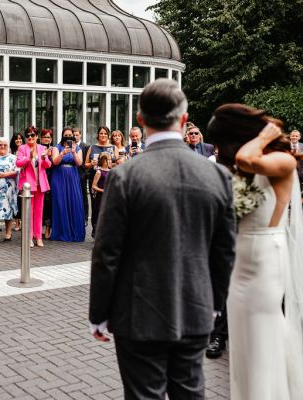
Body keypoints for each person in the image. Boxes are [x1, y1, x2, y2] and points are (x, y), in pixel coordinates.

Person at [89, 79, 236, 399]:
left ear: (140, 120)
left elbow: (107, 252)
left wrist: (99, 313)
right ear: (183, 122)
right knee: (189, 391)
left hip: (138, 311)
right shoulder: (218, 176)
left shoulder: (126, 176)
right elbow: (225, 252)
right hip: (196, 308)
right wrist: (213, 307)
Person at [208, 103, 303, 400]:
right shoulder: (245, 165)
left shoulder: (281, 160)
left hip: (265, 256)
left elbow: (244, 156)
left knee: (264, 332)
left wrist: (266, 134)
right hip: (241, 259)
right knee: (244, 336)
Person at [16, 126, 51, 247]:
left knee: (39, 211)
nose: (30, 137)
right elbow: (18, 163)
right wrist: (29, 158)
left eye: (33, 135)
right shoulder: (22, 148)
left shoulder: (42, 148)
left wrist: (43, 158)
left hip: (40, 183)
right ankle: (29, 237)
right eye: (28, 135)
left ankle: (39, 237)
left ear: (37, 137)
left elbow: (48, 165)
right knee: (28, 212)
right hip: (28, 184)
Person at [51, 127, 86, 242]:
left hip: (72, 177)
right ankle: (61, 232)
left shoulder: (78, 148)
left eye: (70, 135)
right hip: (59, 176)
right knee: (60, 203)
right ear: (62, 135)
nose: (68, 137)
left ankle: (74, 232)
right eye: (66, 135)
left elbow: (80, 163)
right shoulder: (57, 147)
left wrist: (73, 152)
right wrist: (62, 153)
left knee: (74, 202)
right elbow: (55, 162)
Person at [84, 126, 115, 238]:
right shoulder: (92, 147)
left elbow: (117, 163)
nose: (103, 135)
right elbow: (85, 164)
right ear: (98, 135)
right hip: (95, 178)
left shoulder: (113, 147)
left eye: (105, 133)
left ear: (108, 135)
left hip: (109, 178)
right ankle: (95, 231)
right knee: (96, 206)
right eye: (101, 133)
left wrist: (110, 164)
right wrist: (91, 163)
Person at [0, 137, 18, 242]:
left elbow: (16, 170)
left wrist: (5, 174)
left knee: (7, 210)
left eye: (4, 145)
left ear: (8, 146)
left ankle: (8, 233)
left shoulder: (13, 157)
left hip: (8, 188)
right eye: (0, 144)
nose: (2, 146)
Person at [39, 129, 54, 239]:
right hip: (39, 178)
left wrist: (50, 157)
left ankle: (48, 228)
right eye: (44, 137)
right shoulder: (37, 148)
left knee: (48, 205)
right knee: (40, 205)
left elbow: (55, 163)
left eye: (48, 137)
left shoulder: (53, 149)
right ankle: (38, 229)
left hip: (51, 178)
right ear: (40, 138)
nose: (46, 139)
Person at [90, 153, 110, 235]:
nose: (109, 161)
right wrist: (102, 190)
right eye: (107, 159)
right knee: (99, 215)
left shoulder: (112, 171)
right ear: (103, 160)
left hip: (109, 196)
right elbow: (94, 186)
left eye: (110, 159)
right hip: (101, 197)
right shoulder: (99, 172)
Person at [73, 127, 89, 223]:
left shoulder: (85, 146)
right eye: (73, 135)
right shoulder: (69, 145)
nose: (75, 136)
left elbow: (87, 163)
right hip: (72, 175)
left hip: (81, 175)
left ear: (80, 135)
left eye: (77, 135)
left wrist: (84, 176)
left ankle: (85, 217)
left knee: (83, 196)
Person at [10, 132, 25, 232]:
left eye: (20, 138)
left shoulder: (25, 150)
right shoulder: (11, 151)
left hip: (23, 177)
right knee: (15, 200)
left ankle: (24, 221)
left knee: (23, 200)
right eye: (16, 139)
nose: (18, 140)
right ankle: (17, 222)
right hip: (13, 179)